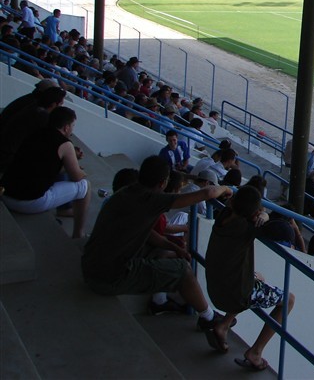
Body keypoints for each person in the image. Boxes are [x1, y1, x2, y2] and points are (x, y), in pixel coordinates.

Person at [82, 156, 233, 332]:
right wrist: (226, 189)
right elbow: (207, 193)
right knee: (182, 270)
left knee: (165, 253)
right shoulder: (151, 200)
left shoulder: (126, 193)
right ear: (162, 183)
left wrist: (175, 248)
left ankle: (159, 302)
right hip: (108, 277)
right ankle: (208, 318)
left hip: (91, 265)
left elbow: (149, 234)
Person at [204, 185, 295, 371]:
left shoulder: (222, 215)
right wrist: (266, 216)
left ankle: (223, 325)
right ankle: (256, 352)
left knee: (257, 278)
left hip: (214, 286)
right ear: (255, 212)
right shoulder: (247, 228)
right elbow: (280, 231)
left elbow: (231, 200)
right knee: (288, 300)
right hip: (234, 295)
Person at [0, 106, 91, 238]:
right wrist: (81, 170)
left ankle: (65, 210)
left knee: (63, 173)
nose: (72, 129)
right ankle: (79, 233)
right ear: (66, 127)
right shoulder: (65, 144)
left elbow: (44, 163)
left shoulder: (35, 132)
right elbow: (77, 176)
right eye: (72, 125)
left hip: (5, 193)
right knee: (85, 186)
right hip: (28, 202)